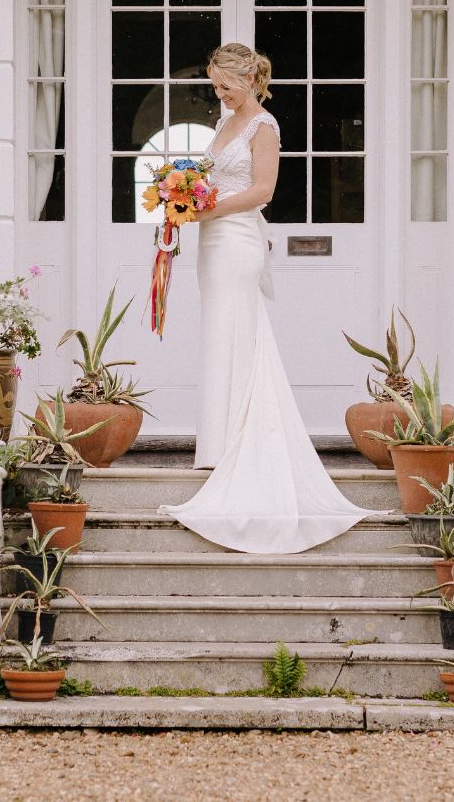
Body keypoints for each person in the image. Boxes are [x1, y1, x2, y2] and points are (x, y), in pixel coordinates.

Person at [156, 43, 371, 554]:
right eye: (215, 86)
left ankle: (247, 445)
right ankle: (222, 444)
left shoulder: (264, 126)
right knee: (219, 335)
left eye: (226, 85)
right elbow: (211, 181)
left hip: (237, 239)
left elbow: (262, 191)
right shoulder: (222, 124)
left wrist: (206, 211)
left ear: (250, 79)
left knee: (240, 333)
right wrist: (183, 194)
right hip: (212, 241)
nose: (220, 93)